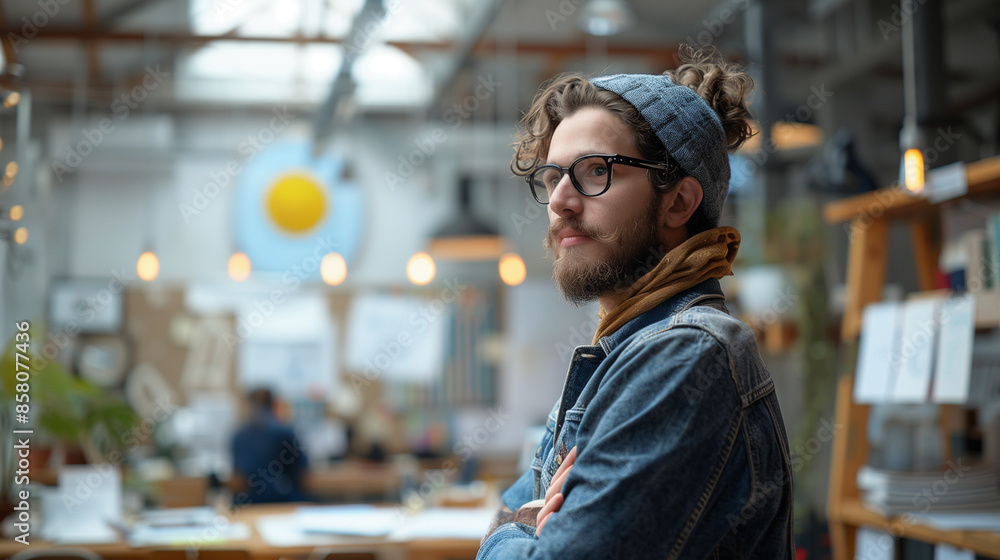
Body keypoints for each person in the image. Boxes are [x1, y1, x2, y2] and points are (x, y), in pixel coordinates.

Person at [477, 46, 794, 559]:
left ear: (679, 202)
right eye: (553, 175)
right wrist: (525, 527)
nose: (559, 200)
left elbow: (518, 530)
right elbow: (514, 510)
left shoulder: (690, 356)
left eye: (595, 170)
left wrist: (509, 532)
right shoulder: (619, 350)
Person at [230, 387, 311, 504]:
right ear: (274, 404)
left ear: (249, 404)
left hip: (248, 501)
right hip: (282, 499)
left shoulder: (238, 435)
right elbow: (302, 466)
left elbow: (237, 471)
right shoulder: (284, 431)